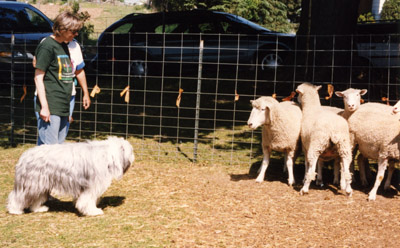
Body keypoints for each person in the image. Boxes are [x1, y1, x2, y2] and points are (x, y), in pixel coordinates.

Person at [34, 11, 90, 145]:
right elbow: (38, 77)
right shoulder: (47, 45)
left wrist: (85, 93)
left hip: (63, 104)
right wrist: (45, 107)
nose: (76, 35)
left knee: (59, 148)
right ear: (62, 29)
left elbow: (76, 71)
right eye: (73, 31)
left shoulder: (65, 46)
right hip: (51, 103)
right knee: (50, 149)